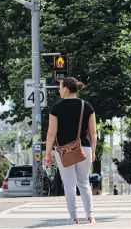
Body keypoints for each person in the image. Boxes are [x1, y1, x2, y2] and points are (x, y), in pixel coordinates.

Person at [45, 77, 97, 224]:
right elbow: (93, 133)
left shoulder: (56, 108)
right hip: (84, 148)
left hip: (64, 150)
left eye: (60, 88)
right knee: (84, 182)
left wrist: (48, 153)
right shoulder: (87, 106)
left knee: (69, 185)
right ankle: (90, 216)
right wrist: (93, 151)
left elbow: (51, 133)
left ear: (66, 89)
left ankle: (74, 217)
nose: (59, 91)